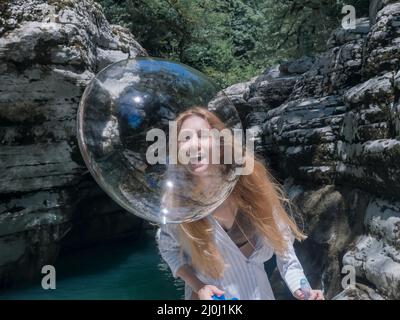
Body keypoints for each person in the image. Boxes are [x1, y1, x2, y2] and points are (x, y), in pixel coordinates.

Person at [156, 107, 324, 300]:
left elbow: (284, 250)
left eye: (201, 135)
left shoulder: (250, 184)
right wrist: (199, 286)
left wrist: (304, 290)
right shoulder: (177, 202)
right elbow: (168, 249)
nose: (194, 145)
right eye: (185, 139)